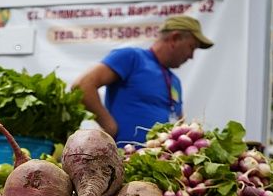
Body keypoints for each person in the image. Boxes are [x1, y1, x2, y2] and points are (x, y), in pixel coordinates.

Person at [72, 15, 213, 143]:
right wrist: (110, 127)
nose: (191, 56)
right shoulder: (131, 58)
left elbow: (179, 121)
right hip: (126, 161)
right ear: (175, 38)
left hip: (164, 165)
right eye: (191, 47)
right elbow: (82, 85)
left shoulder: (175, 81)